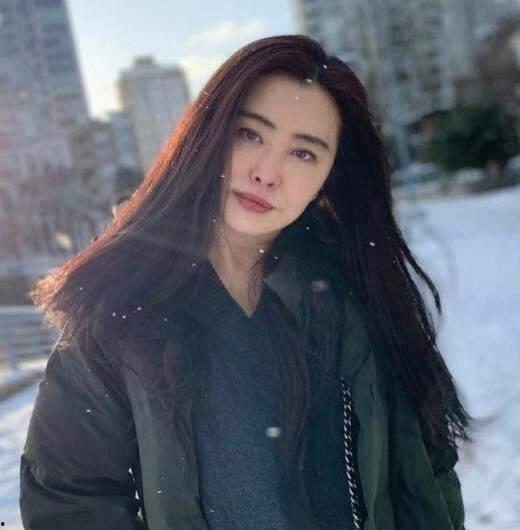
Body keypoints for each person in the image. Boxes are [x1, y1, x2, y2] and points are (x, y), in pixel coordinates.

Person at [20, 35, 471, 530]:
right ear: (209, 133)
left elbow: (425, 474)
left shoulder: (360, 295)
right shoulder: (119, 305)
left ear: (329, 176)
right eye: (250, 134)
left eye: (303, 153)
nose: (267, 173)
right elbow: (71, 499)